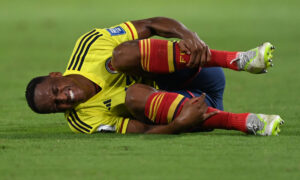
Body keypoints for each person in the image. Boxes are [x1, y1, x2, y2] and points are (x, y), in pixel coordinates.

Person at [25, 17, 284, 135]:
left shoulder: (89, 46)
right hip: (190, 109)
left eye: (55, 91)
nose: (63, 100)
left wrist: (188, 36)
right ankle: (246, 122)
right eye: (56, 107)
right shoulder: (83, 120)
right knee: (133, 96)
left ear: (55, 75)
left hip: (199, 72)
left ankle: (239, 60)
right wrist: (179, 124)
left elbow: (151, 25)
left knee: (122, 57)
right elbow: (142, 129)